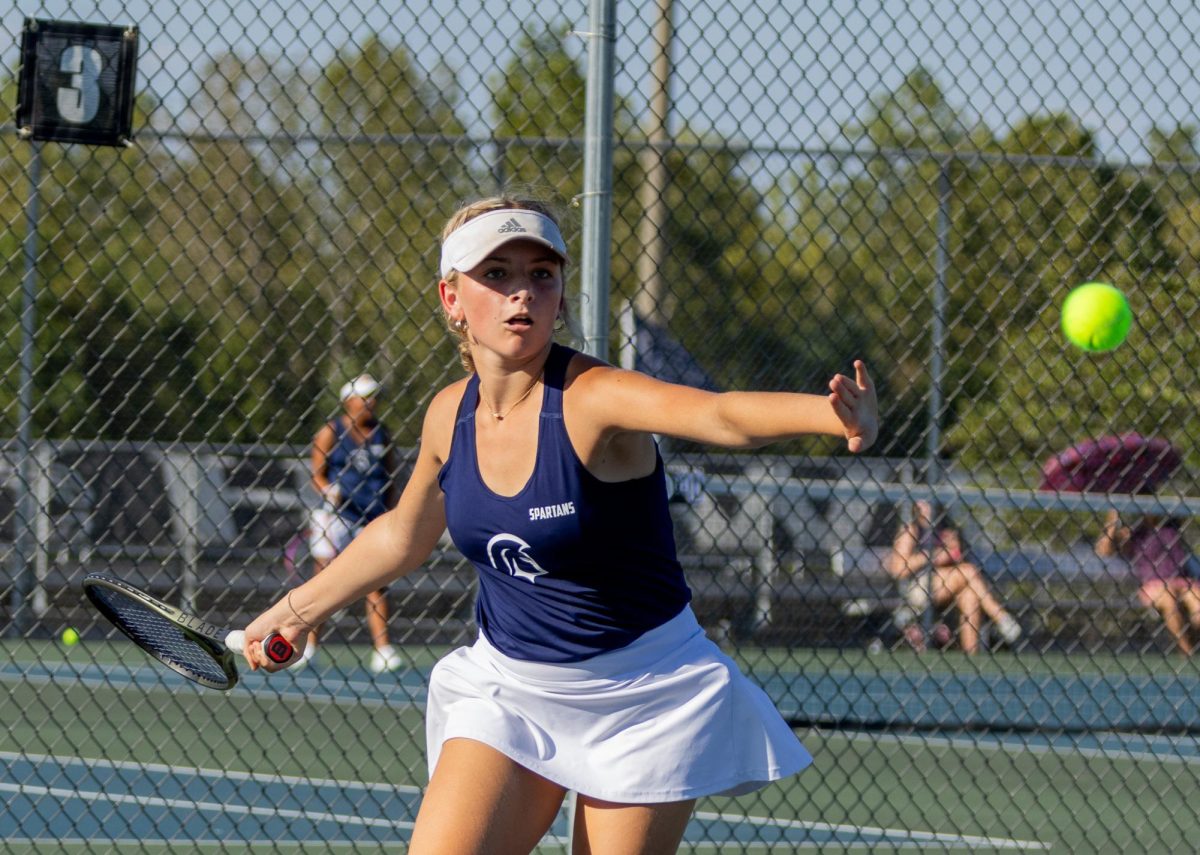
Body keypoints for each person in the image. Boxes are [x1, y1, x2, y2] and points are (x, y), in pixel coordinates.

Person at [242, 194, 879, 854]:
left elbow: (716, 414)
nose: (522, 293)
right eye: (497, 274)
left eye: (541, 274)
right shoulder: (446, 416)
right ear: (451, 297)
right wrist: (300, 608)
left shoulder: (593, 398)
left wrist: (835, 417)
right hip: (510, 687)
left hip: (644, 695)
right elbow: (405, 533)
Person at [303, 373, 402, 673]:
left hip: (369, 517)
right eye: (366, 397)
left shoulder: (382, 433)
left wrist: (389, 511)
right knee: (322, 579)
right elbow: (317, 472)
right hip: (335, 517)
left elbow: (389, 475)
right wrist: (329, 490)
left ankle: (383, 650)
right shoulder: (331, 431)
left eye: (374, 397)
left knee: (376, 583)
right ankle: (309, 648)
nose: (372, 403)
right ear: (350, 402)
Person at [887, 499, 1021, 654]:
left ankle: (971, 655)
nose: (927, 508)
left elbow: (957, 557)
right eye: (923, 504)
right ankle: (1000, 617)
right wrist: (929, 555)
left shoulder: (944, 530)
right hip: (918, 588)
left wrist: (950, 552)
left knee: (969, 594)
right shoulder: (911, 530)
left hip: (947, 585)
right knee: (969, 571)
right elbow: (898, 570)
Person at [1096, 508, 1200, 655]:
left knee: (1197, 602)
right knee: (1170, 600)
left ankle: (1194, 642)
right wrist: (1113, 520)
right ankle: (1187, 653)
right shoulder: (1135, 534)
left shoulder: (1170, 527)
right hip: (1155, 585)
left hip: (1182, 581)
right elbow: (1104, 550)